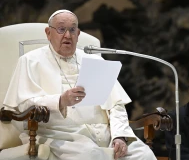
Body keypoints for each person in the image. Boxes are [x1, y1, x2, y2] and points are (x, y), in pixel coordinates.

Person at [1, 9, 157, 160]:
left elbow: (116, 105)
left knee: (144, 155)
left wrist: (119, 136)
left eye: (72, 30)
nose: (68, 35)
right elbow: (23, 105)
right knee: (91, 155)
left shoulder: (96, 61)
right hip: (60, 135)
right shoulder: (30, 61)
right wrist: (60, 101)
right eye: (61, 29)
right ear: (48, 33)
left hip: (106, 134)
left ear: (78, 34)